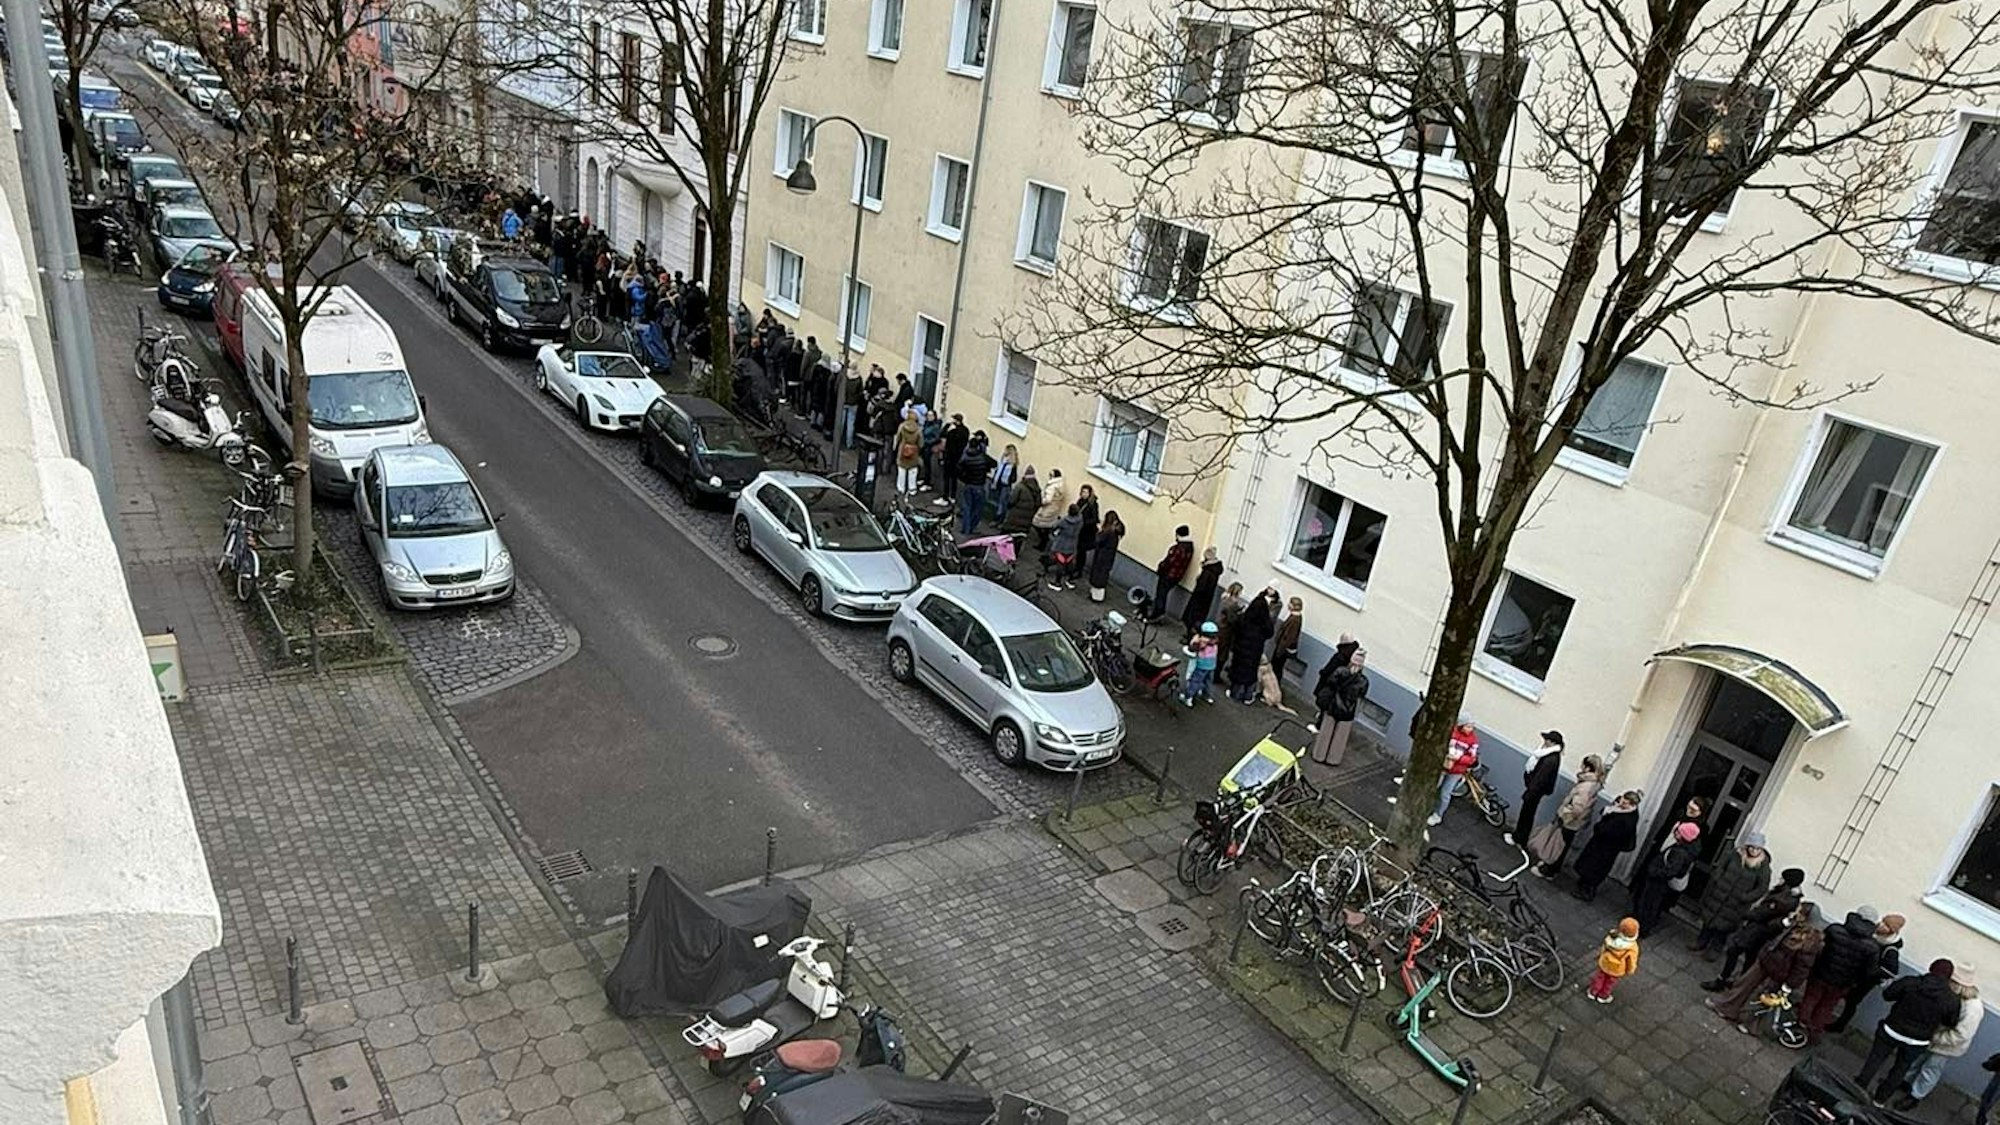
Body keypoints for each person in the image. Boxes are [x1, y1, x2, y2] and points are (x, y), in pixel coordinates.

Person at [1857, 959, 1964, 1106]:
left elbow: (1888, 994)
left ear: (1931, 968)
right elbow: (1950, 1022)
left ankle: (1858, 1088)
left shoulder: (1911, 982)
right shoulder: (1951, 999)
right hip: (1917, 1041)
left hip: (1892, 1030)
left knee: (1875, 1059)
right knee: (1900, 1070)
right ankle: (1879, 1100)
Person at [1708, 902, 1824, 1031]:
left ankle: (1751, 1026)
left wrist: (1789, 985)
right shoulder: (1793, 924)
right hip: (1767, 959)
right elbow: (1771, 929)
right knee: (1743, 984)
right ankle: (1727, 1008)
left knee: (1763, 999)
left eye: (1799, 911)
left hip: (1780, 972)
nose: (1796, 912)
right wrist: (1783, 922)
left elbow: (1802, 967)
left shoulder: (1812, 942)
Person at [1705, 869, 1809, 990]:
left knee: (1734, 950)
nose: (1780, 880)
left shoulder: (1783, 899)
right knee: (1749, 958)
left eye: (1783, 878)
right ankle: (1737, 983)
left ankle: (1723, 981)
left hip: (1758, 930)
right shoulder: (1787, 895)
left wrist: (1745, 914)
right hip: (1760, 931)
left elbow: (1762, 913)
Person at [1800, 906, 1889, 1046]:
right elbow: (1869, 971)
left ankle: (1800, 1025)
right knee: (1826, 1007)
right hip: (1842, 983)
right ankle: (1814, 1032)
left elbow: (1819, 948)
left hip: (1820, 973)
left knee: (1810, 999)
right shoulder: (1872, 947)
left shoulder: (1834, 930)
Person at [1687, 833, 1774, 956]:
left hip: (1736, 903)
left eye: (1757, 848)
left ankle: (1715, 949)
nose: (1754, 850)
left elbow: (1762, 888)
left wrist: (1745, 897)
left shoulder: (1763, 867)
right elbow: (1721, 866)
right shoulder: (1735, 855)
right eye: (1752, 847)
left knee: (1724, 928)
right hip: (1719, 894)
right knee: (1709, 921)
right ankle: (1701, 942)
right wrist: (1718, 880)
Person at [1831, 912, 1908, 1034]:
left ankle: (1840, 1025)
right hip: (1854, 974)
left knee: (1850, 1003)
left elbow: (1891, 971)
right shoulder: (1874, 936)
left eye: (1886, 925)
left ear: (1891, 931)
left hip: (1865, 982)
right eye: (1883, 921)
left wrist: (1872, 971)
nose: (1881, 925)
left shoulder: (1890, 950)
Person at [1533, 754, 1604, 879]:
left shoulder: (1585, 787)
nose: (1581, 766)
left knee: (1558, 845)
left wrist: (1564, 815)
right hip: (1575, 823)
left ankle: (1548, 870)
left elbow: (1578, 808)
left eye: (1583, 764)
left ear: (1588, 768)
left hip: (1569, 821)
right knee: (1562, 845)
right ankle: (1553, 867)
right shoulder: (1593, 784)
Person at [1572, 790, 1642, 902]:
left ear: (1631, 804)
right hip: (1601, 844)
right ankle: (1583, 884)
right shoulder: (1622, 810)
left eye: (1625, 802)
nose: (1622, 802)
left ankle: (1587, 891)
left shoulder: (1628, 818)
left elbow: (1611, 830)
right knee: (1590, 864)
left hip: (1607, 848)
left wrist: (1599, 827)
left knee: (1596, 868)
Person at [1631, 821, 1700, 936]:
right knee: (1648, 903)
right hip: (1658, 881)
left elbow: (1671, 871)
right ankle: (1641, 926)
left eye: (1678, 832)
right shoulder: (1681, 849)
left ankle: (1642, 928)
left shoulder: (1680, 852)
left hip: (1658, 882)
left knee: (1649, 904)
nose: (1675, 833)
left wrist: (1654, 872)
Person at [1311, 646, 1368, 767]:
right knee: (1340, 738)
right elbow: (1361, 694)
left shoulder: (1340, 671)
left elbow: (1330, 683)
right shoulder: (1363, 681)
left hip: (1333, 706)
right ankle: (1333, 759)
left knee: (1325, 732)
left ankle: (1319, 755)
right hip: (1348, 711)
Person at [1510, 731, 1564, 847]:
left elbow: (1540, 778)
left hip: (1534, 792)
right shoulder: (1550, 755)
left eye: (1547, 740)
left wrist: (1529, 792)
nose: (1544, 742)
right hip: (1535, 790)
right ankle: (1519, 836)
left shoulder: (1550, 759)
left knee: (1526, 815)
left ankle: (1519, 838)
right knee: (1527, 814)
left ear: (1552, 742)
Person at [1227, 588, 1277, 703]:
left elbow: (1236, 626)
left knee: (1238, 670)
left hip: (1241, 648)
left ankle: (1234, 693)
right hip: (1255, 650)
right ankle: (1248, 696)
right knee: (1251, 672)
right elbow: (1270, 633)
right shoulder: (1264, 623)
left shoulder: (1245, 619)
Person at [1587, 918, 1641, 1004]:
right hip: (1617, 969)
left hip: (1605, 963)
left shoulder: (1611, 937)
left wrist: (1601, 956)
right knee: (1610, 983)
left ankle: (1593, 992)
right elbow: (1631, 960)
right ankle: (1603, 996)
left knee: (1599, 977)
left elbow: (1604, 948)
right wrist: (1630, 970)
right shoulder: (1632, 947)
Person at [1149, 527, 1194, 622]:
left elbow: (1170, 562)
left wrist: (1161, 567)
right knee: (1163, 594)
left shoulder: (1178, 548)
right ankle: (1158, 613)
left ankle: (1157, 614)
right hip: (1177, 576)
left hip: (1168, 575)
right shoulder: (1190, 547)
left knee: (1161, 594)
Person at [956, 432, 996, 536]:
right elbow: (994, 463)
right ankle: (972, 527)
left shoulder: (965, 458)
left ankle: (965, 529)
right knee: (978, 509)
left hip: (969, 484)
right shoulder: (983, 457)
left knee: (967, 507)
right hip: (979, 485)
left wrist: (964, 479)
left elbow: (958, 470)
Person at [1181, 547, 1224, 636]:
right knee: (1198, 618)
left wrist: (1199, 581)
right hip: (1206, 599)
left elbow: (1202, 587)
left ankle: (1190, 635)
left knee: (1193, 618)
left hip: (1199, 599)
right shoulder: (1214, 570)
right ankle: (1191, 634)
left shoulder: (1208, 571)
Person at [1087, 511, 1124, 601]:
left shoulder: (1108, 531)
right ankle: (1097, 595)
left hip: (1102, 556)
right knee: (1103, 575)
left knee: (1098, 575)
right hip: (1109, 556)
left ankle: (1096, 596)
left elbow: (1098, 540)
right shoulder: (1116, 531)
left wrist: (1098, 532)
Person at [1180, 622, 1219, 706]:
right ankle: (1207, 695)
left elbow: (1192, 649)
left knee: (1195, 681)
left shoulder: (1202, 641)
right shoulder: (1215, 641)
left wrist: (1196, 640)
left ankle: (1188, 697)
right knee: (1208, 681)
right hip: (1211, 665)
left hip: (1201, 665)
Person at [1213, 582, 1248, 675]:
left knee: (1217, 648)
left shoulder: (1225, 598)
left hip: (1220, 626)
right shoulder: (1233, 603)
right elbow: (1232, 619)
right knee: (1223, 653)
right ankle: (1216, 673)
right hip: (1226, 630)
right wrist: (1241, 613)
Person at [1046, 505, 1083, 591]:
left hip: (1062, 544)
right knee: (1070, 563)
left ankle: (1057, 583)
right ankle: (1070, 581)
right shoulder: (1080, 520)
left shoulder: (1064, 521)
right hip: (1073, 544)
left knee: (1061, 563)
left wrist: (1053, 537)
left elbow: (1054, 526)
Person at [1031, 468, 1068, 550]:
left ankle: (1043, 542)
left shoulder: (1052, 486)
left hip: (1047, 509)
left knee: (1036, 523)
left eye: (1051, 475)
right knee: (1048, 525)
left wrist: (1041, 501)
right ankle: (1045, 541)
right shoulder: (1061, 485)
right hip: (1055, 509)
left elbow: (1048, 499)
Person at [1071, 485, 1101, 585]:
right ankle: (1075, 567)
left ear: (1089, 493)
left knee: (1081, 551)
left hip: (1087, 532)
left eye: (1086, 492)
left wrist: (1084, 522)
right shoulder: (1080, 501)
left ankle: (1079, 570)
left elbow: (1095, 519)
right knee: (1078, 549)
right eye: (1082, 492)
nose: (1083, 494)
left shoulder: (1093, 504)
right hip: (1079, 530)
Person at [938, 415, 970, 506]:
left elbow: (942, 435)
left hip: (950, 458)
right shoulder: (965, 430)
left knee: (947, 478)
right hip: (958, 459)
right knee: (954, 479)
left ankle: (945, 497)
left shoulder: (953, 431)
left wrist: (948, 428)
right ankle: (952, 497)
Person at [892, 408, 924, 497]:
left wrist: (896, 447)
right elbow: (921, 443)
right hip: (914, 450)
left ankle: (901, 488)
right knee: (913, 470)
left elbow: (898, 438)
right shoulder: (918, 429)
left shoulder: (902, 426)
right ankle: (912, 489)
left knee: (901, 470)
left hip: (903, 448)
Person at [1272, 597, 1304, 682]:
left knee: (1277, 668)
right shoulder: (1294, 617)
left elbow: (1289, 638)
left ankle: (1274, 685)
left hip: (1282, 649)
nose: (1288, 605)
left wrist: (1280, 649)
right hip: (1282, 647)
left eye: (1290, 603)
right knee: (1277, 667)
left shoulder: (1295, 619)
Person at [1001, 467, 1040, 533]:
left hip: (1014, 518)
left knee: (1006, 535)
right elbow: (1038, 503)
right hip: (1027, 520)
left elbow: (1011, 500)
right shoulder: (1037, 489)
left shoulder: (1020, 486)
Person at [989, 444, 1020, 522]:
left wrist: (1007, 480)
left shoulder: (1012, 465)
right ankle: (997, 517)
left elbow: (1014, 478)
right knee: (998, 501)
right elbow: (998, 471)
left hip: (1005, 486)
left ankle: (998, 519)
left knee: (1002, 503)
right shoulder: (1003, 460)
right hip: (998, 483)